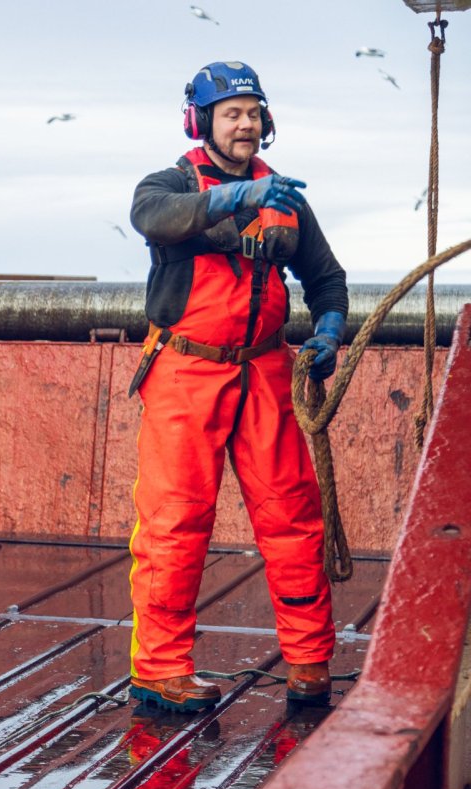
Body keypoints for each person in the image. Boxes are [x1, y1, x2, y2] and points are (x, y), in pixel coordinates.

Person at [126, 61, 349, 712]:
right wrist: (237, 198)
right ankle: (160, 671)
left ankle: (309, 663)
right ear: (201, 122)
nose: (245, 123)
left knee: (293, 517)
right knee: (174, 523)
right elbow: (151, 216)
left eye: (253, 112)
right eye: (231, 113)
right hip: (185, 371)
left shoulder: (286, 198)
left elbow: (326, 279)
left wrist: (328, 332)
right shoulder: (169, 184)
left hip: (266, 371)